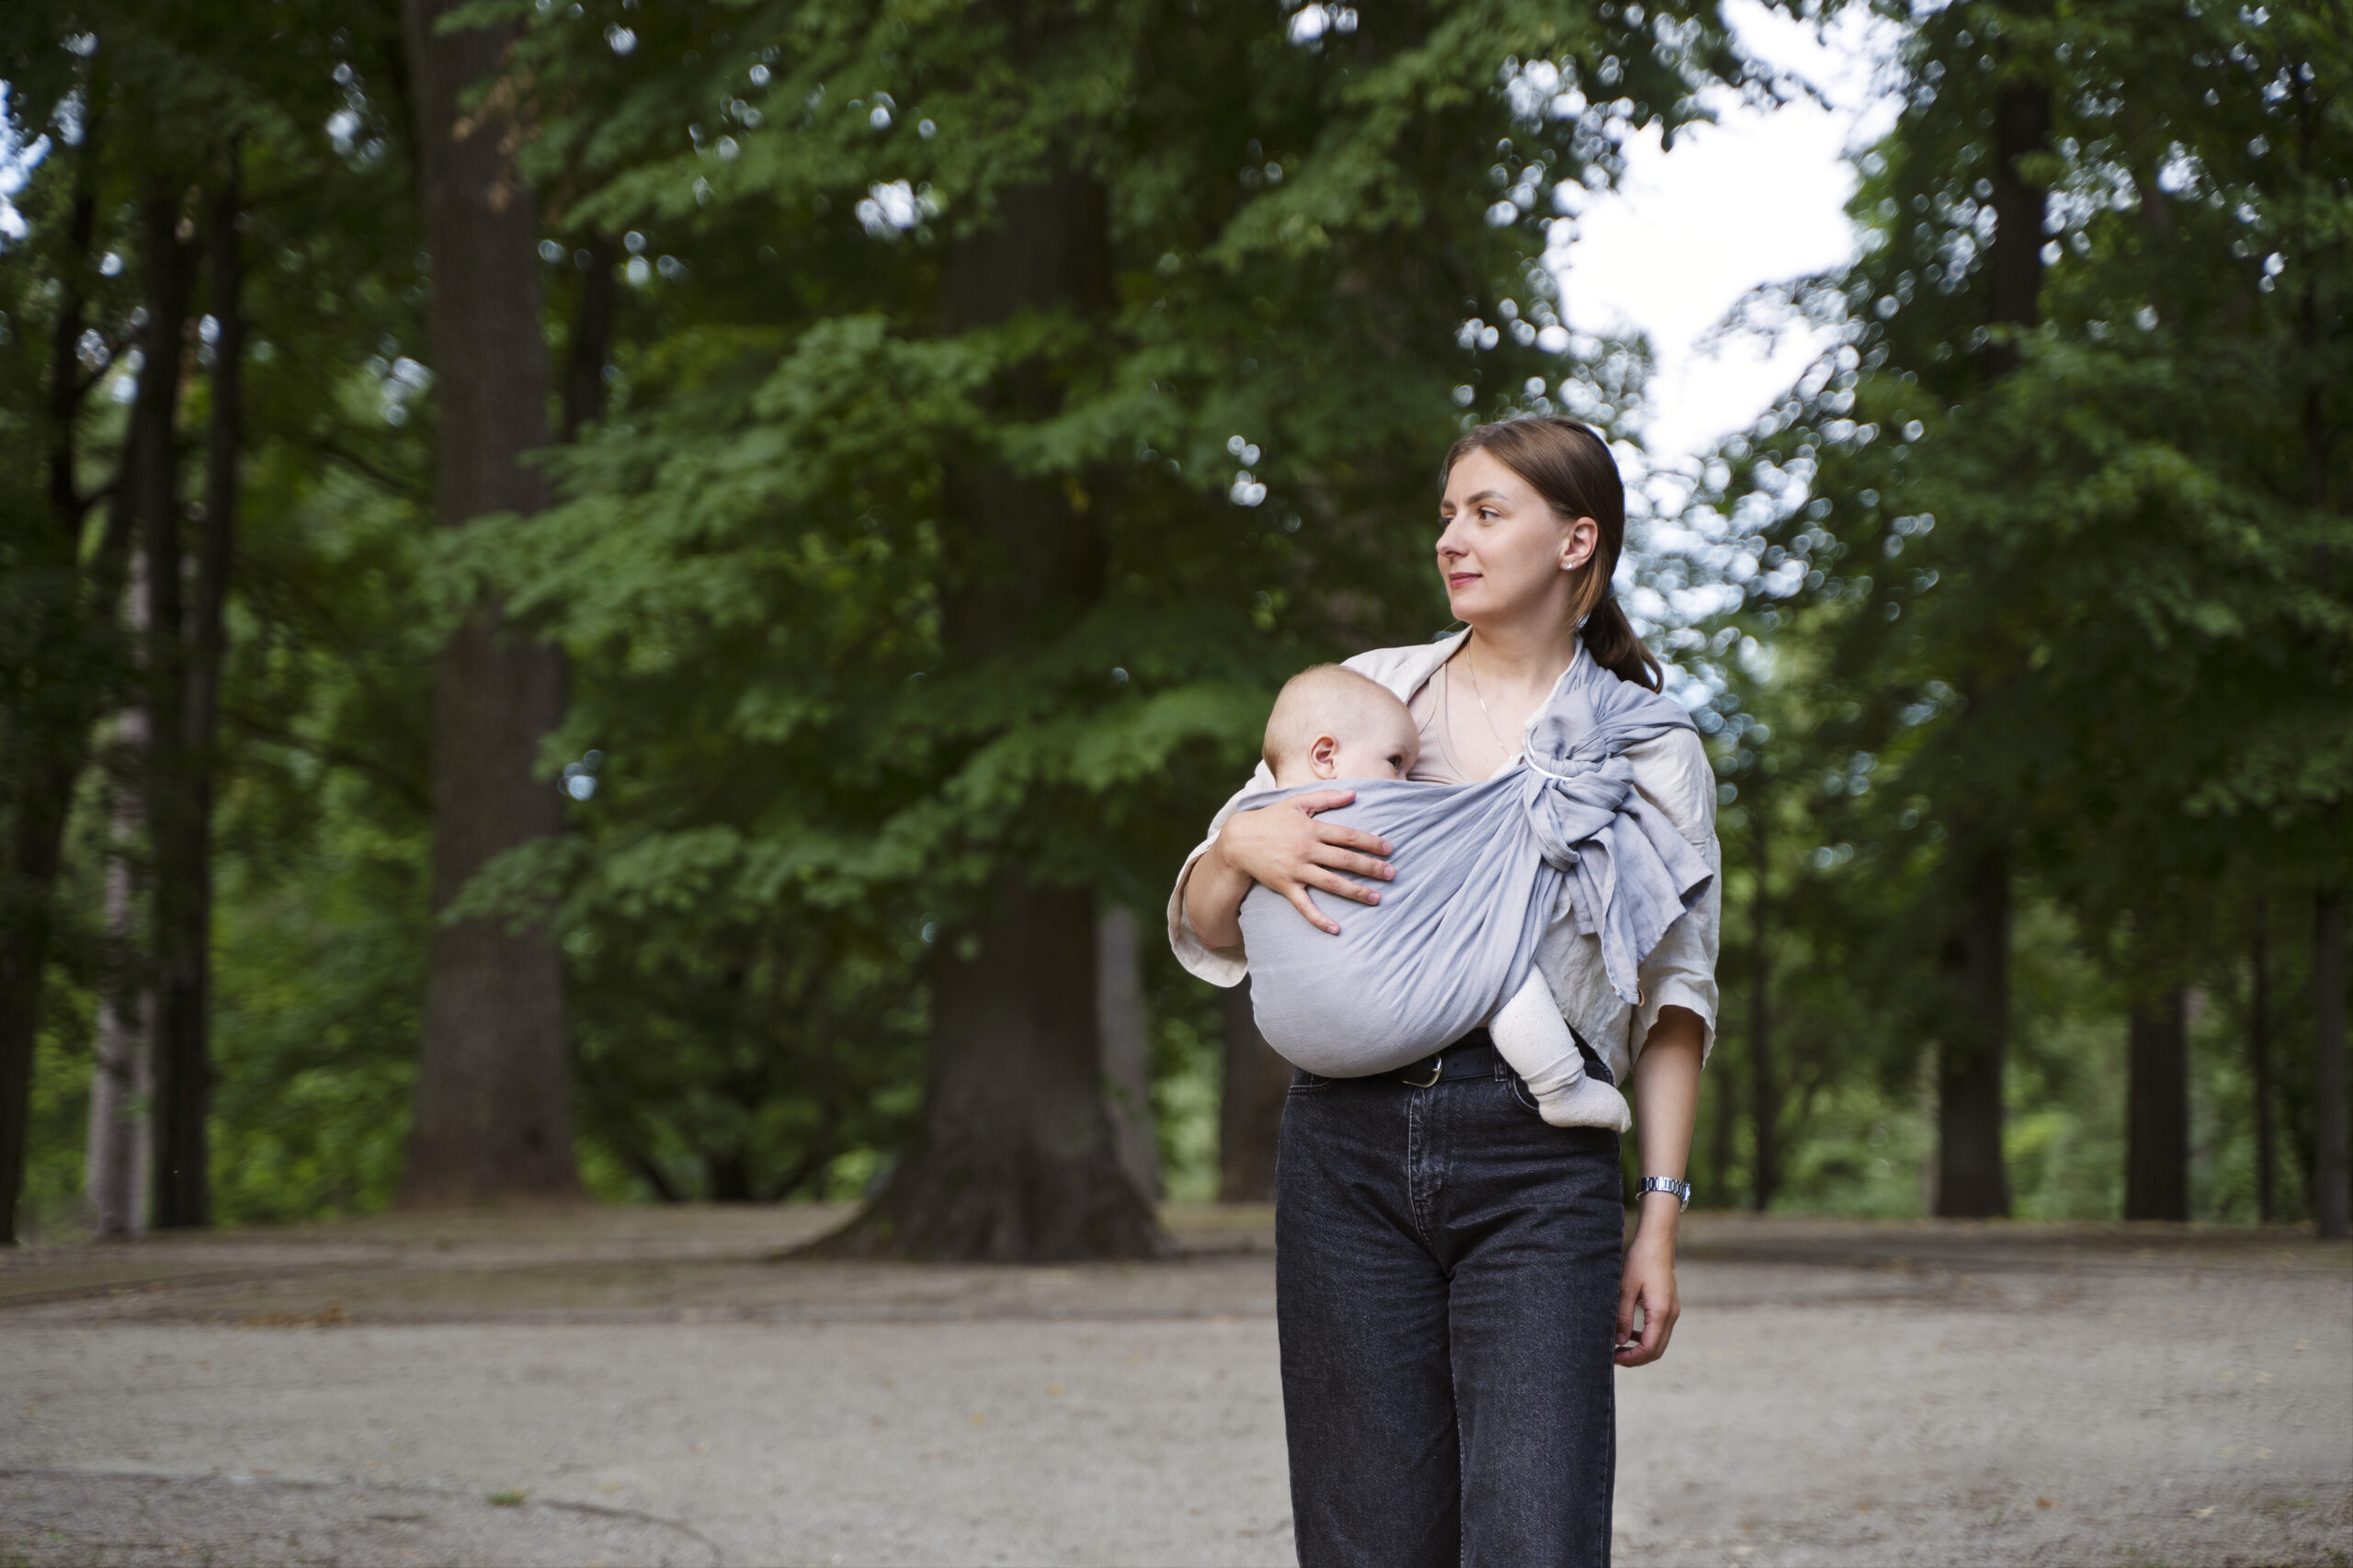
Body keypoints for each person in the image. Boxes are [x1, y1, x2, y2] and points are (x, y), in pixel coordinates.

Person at [1169, 416, 1718, 1566]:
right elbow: (1218, 914)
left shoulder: (1647, 747)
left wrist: (1656, 1218)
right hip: (1343, 1147)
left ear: (1577, 541)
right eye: (1445, 515)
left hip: (1539, 1152)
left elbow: (1673, 997)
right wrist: (1239, 852)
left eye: (1484, 512)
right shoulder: (1372, 696)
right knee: (1366, 1535)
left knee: (1536, 1532)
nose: (1450, 540)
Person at [1241, 662, 1654, 1131]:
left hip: (1293, 1042)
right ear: (1325, 755)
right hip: (1364, 1049)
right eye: (1395, 763)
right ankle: (1561, 1087)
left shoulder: (1247, 823)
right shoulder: (1352, 812)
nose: (1405, 784)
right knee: (1496, 956)